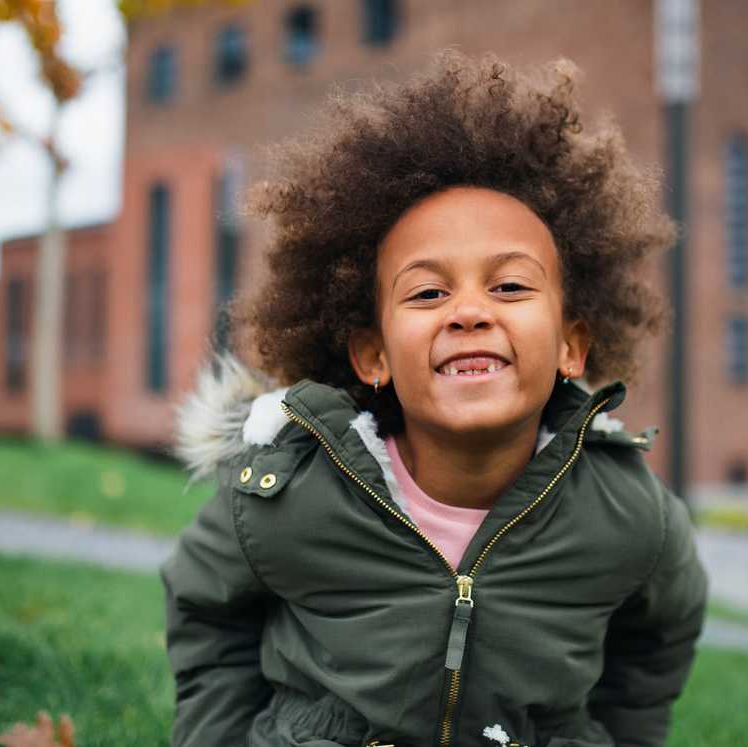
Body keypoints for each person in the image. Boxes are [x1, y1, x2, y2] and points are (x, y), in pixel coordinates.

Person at [162, 49, 709, 747]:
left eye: (509, 285)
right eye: (428, 292)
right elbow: (204, 608)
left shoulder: (628, 512)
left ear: (573, 345)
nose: (470, 311)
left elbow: (658, 640)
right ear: (374, 355)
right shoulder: (283, 491)